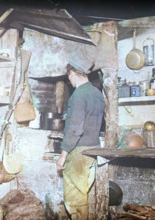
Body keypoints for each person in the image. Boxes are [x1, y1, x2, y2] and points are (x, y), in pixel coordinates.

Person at [56, 61, 105, 220]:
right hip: (93, 149)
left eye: (68, 76)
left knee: (75, 201)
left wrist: (63, 155)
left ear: (72, 73)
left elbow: (75, 129)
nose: (69, 80)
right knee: (82, 196)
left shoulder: (78, 94)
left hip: (78, 152)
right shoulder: (97, 93)